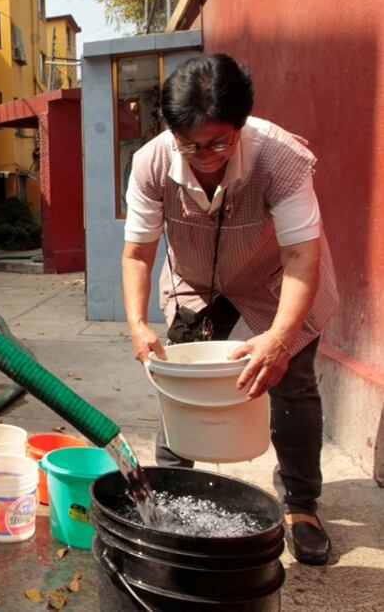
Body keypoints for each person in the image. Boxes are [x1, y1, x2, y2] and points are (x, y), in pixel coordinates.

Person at [121, 54, 339, 566]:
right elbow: (137, 252)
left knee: (292, 381)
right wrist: (136, 324)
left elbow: (301, 254)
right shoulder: (152, 162)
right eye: (189, 144)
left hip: (273, 280)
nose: (203, 155)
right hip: (197, 279)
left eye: (219, 141)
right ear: (170, 131)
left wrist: (281, 338)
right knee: (180, 379)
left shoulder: (280, 158)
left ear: (241, 125)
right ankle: (171, 494)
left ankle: (302, 507)